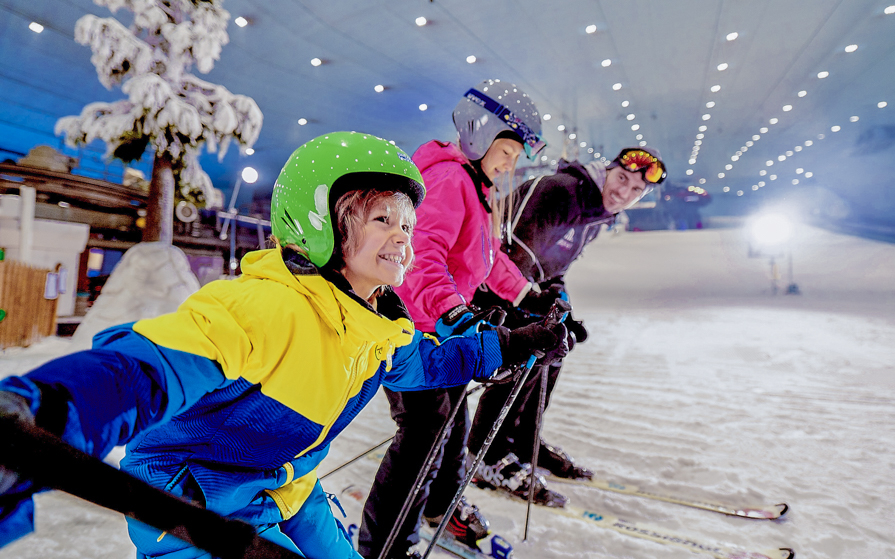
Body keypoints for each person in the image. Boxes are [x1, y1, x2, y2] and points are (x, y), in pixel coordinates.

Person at [0, 131, 566, 559]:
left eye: (408, 225)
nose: (403, 235)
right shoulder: (266, 306)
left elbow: (429, 362)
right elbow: (145, 369)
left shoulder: (379, 325)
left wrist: (514, 344)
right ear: (320, 222)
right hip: (192, 504)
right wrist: (47, 412)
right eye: (380, 218)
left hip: (288, 487)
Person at [358, 80, 568, 559]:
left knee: (452, 423)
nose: (512, 162)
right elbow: (419, 257)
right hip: (418, 331)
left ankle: (440, 508)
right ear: (481, 133)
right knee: (423, 436)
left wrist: (530, 295)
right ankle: (385, 548)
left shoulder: (476, 188)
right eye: (507, 149)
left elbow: (487, 260)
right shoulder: (451, 180)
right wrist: (455, 310)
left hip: (442, 333)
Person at [468, 147, 667, 501]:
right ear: (606, 170)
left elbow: (554, 269)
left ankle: (522, 441)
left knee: (553, 352)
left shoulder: (595, 214)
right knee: (521, 358)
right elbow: (507, 256)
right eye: (622, 179)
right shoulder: (558, 191)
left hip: (523, 291)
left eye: (636, 190)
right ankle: (486, 455)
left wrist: (561, 306)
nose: (624, 192)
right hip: (484, 288)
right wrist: (531, 312)